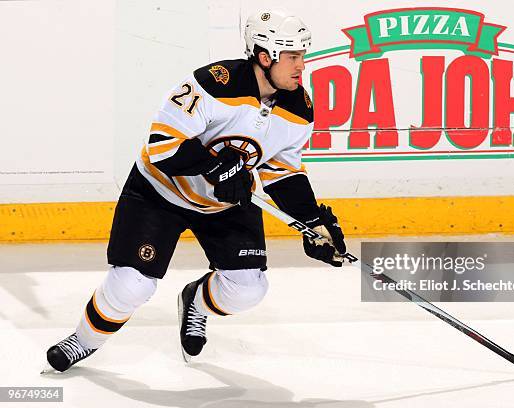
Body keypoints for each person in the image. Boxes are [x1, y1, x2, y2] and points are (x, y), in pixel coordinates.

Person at [44, 9, 347, 372]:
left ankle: (194, 303)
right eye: (293, 56)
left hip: (226, 203)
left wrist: (313, 222)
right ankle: (84, 339)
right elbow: (162, 144)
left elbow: (283, 172)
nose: (302, 66)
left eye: (303, 55)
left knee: (248, 290)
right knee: (132, 287)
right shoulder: (213, 84)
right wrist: (216, 168)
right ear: (265, 57)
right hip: (159, 193)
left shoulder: (299, 108)